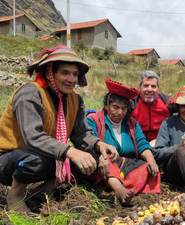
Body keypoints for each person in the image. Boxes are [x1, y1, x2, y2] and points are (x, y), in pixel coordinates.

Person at [0, 45, 119, 213]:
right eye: (65, 73)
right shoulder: (30, 93)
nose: (71, 79)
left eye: (75, 74)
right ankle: (15, 196)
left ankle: (43, 193)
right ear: (50, 72)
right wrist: (71, 152)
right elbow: (32, 137)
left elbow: (81, 134)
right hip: (11, 158)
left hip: (46, 153)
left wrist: (99, 145)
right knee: (36, 160)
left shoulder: (74, 99)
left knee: (90, 156)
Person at [86, 78, 161, 205]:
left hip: (126, 164)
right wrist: (101, 153)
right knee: (108, 159)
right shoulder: (93, 120)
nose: (120, 112)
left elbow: (143, 144)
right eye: (115, 107)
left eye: (124, 108)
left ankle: (119, 186)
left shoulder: (132, 123)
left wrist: (151, 160)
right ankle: (120, 191)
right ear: (106, 106)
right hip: (104, 162)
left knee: (149, 168)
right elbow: (89, 141)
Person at [130, 70, 176, 146]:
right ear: (140, 87)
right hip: (137, 142)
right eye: (146, 85)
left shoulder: (166, 102)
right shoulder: (132, 103)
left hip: (162, 142)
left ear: (158, 88)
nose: (149, 89)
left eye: (153, 86)